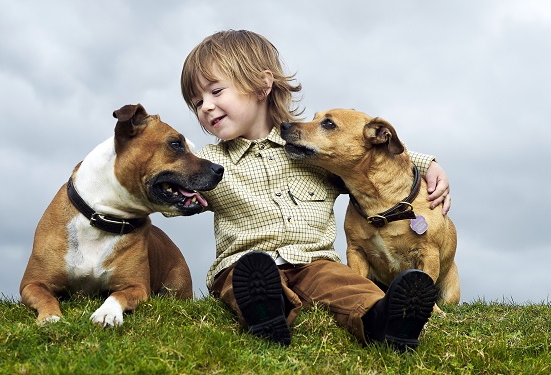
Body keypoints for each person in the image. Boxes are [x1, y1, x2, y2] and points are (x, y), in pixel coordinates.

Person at [180, 29, 451, 351]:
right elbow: (167, 185)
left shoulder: (316, 153)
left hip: (314, 262)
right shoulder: (207, 162)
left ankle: (384, 321)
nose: (206, 107)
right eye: (197, 102)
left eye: (215, 91)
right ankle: (267, 315)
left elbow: (369, 160)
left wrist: (427, 163)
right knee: (244, 281)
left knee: (347, 286)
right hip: (246, 262)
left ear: (262, 86)